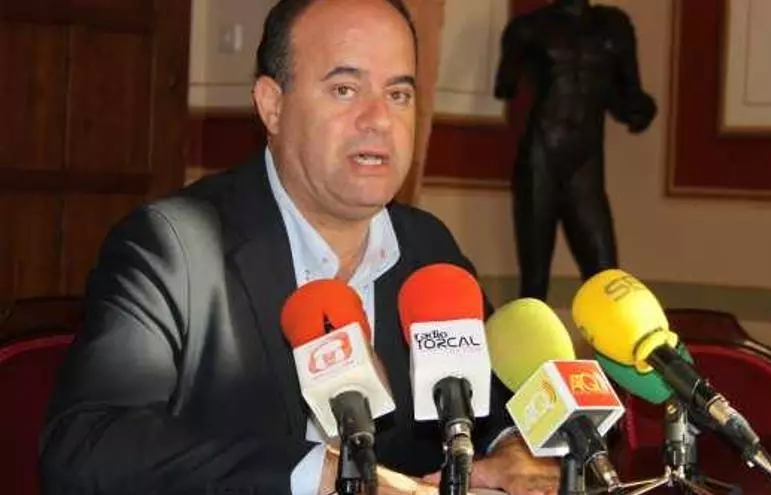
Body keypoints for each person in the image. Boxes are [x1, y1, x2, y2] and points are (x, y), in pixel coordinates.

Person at [38, 1, 561, 494]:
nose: (379, 119)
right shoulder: (174, 249)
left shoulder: (427, 248)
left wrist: (511, 446)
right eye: (344, 90)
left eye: (399, 94)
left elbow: (486, 403)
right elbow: (88, 443)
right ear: (272, 105)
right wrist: (318, 475)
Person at [493, 0, 657, 301]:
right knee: (535, 282)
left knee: (606, 278)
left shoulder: (614, 27)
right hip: (541, 156)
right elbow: (505, 84)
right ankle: (531, 333)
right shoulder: (529, 28)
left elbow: (627, 95)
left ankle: (608, 334)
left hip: (586, 161)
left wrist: (640, 109)